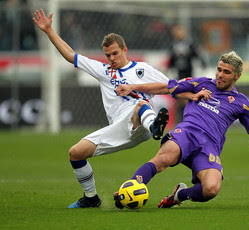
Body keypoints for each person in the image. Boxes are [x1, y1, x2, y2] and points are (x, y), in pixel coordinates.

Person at [114, 51, 249, 209]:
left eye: (226, 72)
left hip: (210, 146)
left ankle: (179, 195)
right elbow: (167, 87)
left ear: (237, 76)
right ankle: (129, 188)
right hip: (187, 133)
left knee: (211, 189)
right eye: (219, 69)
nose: (220, 75)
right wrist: (132, 87)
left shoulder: (242, 104)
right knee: (164, 158)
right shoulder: (201, 83)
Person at [33, 9, 173, 208]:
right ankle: (91, 198)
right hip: (119, 127)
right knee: (75, 153)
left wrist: (194, 93)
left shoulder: (143, 69)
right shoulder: (103, 71)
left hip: (141, 120)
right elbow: (70, 55)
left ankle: (155, 127)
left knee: (140, 104)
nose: (112, 58)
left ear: (125, 50)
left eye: (115, 53)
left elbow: (171, 87)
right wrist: (49, 31)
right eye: (108, 55)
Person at [168, 25, 207, 123]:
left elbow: (197, 55)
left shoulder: (190, 45)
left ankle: (189, 120)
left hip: (188, 75)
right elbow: (171, 61)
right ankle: (180, 120)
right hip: (178, 75)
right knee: (178, 97)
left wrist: (203, 64)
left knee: (187, 97)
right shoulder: (173, 45)